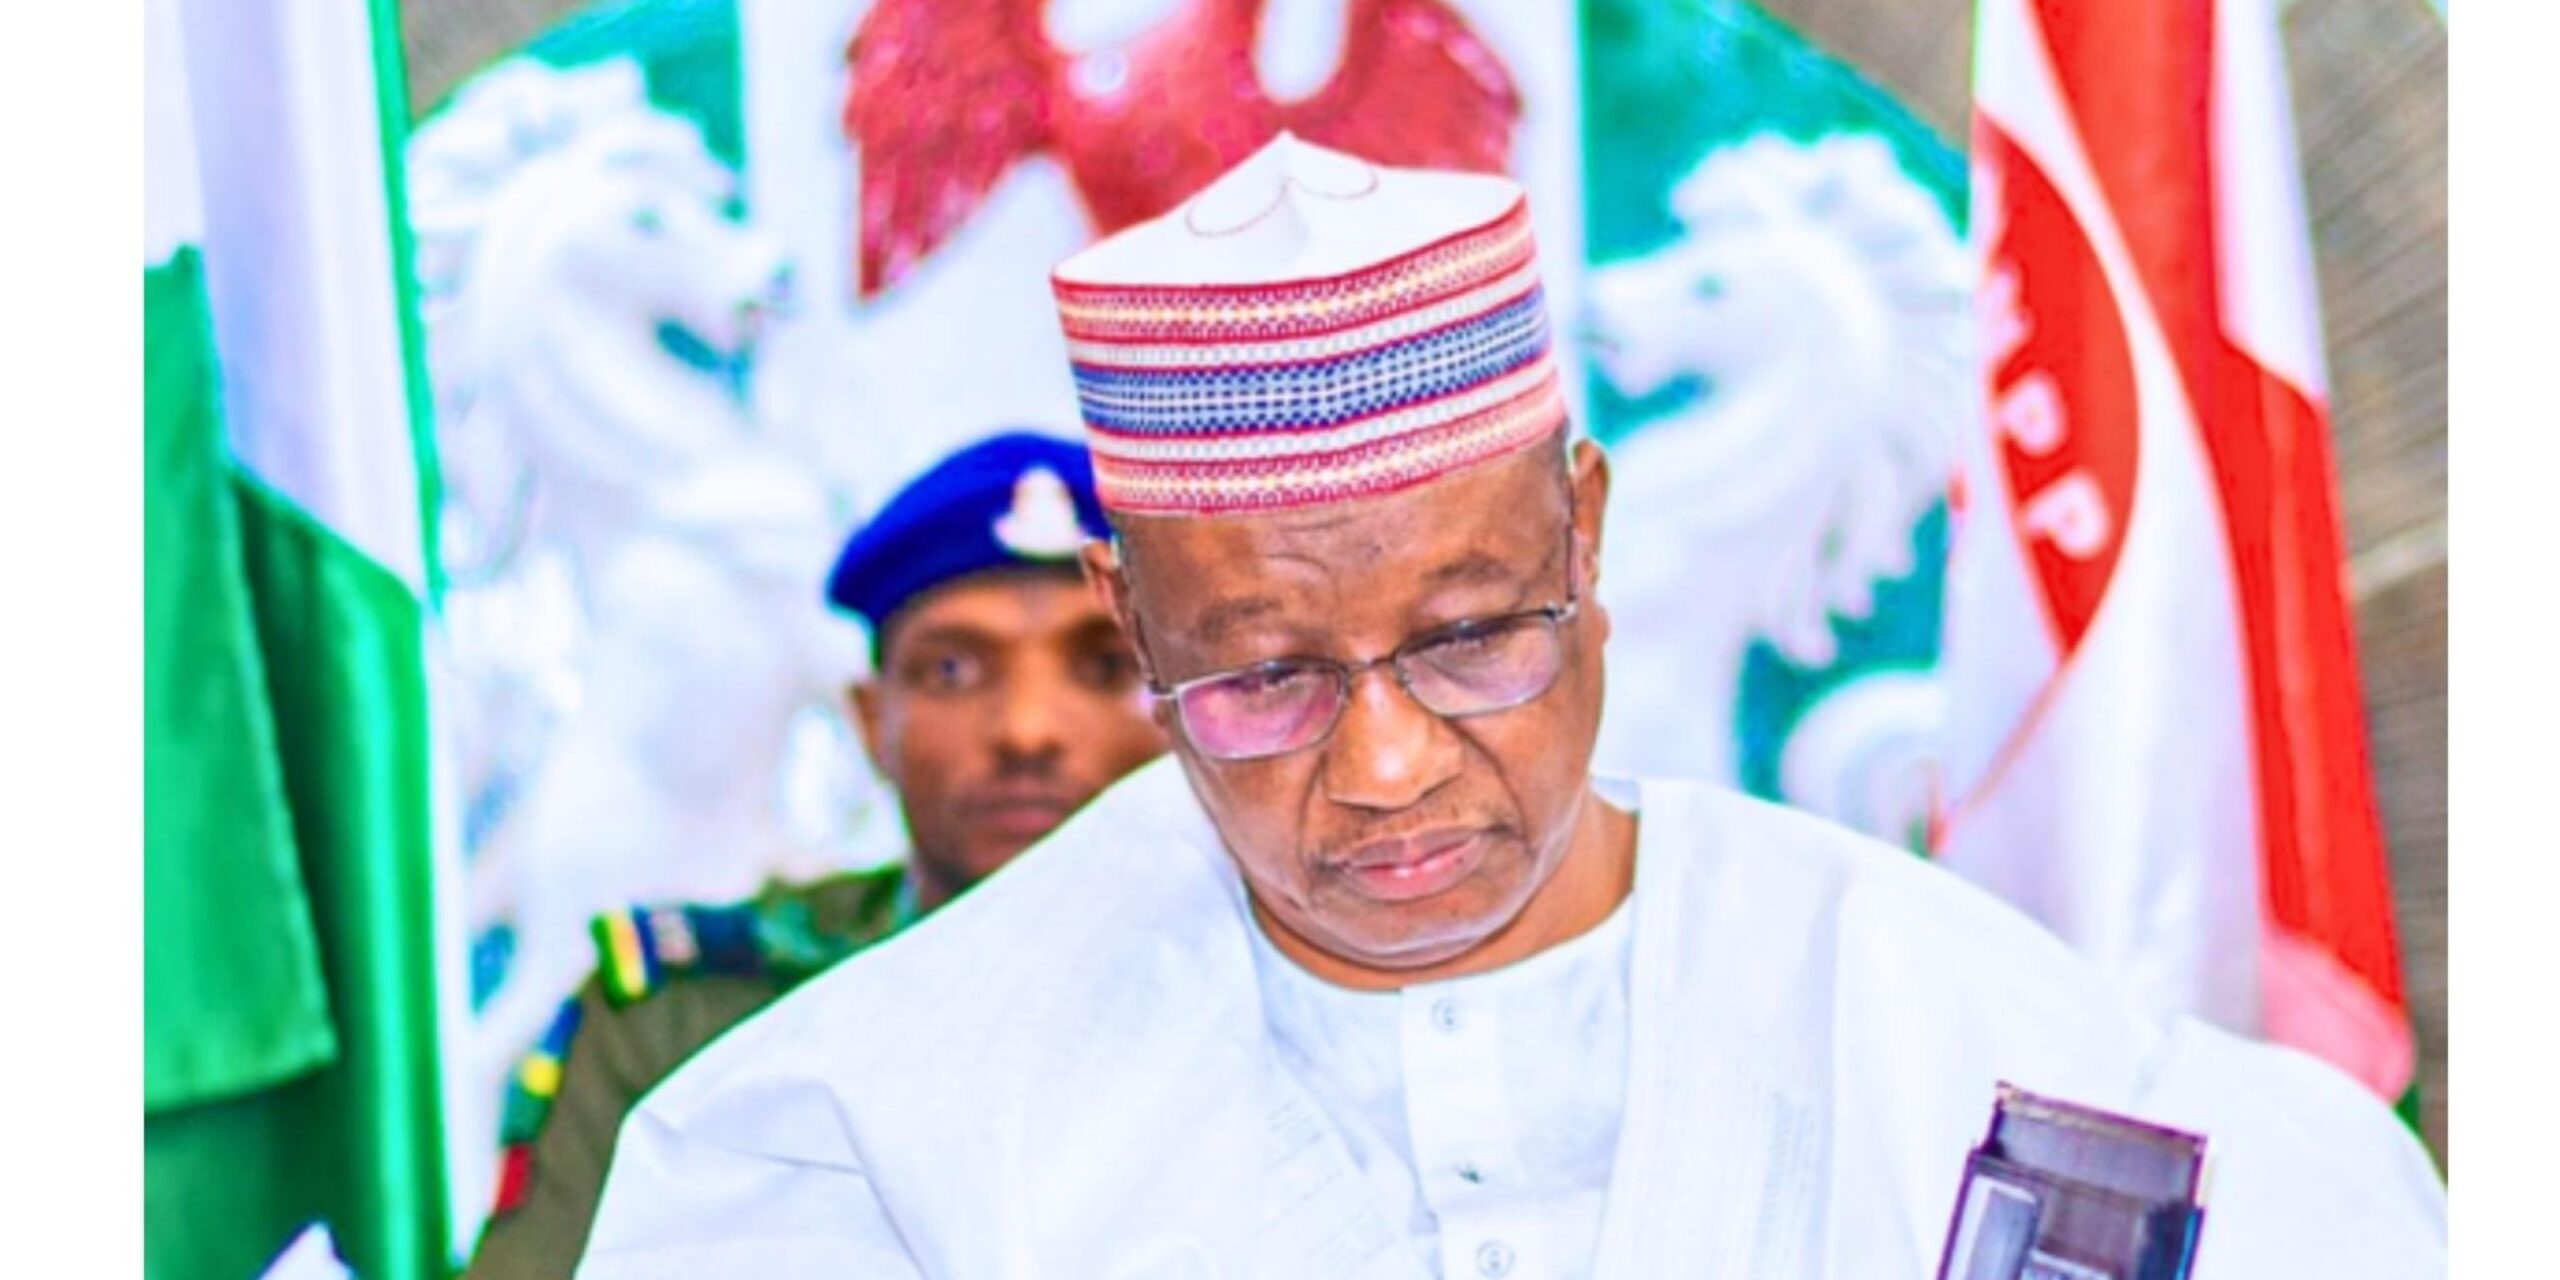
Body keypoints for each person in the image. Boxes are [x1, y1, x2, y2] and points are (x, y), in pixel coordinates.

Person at [576, 137, 2445, 1278]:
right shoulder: (847, 1142)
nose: (1387, 767)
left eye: (1475, 637)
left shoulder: (1954, 1031)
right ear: (1133, 624)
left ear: (1587, 531)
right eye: (1266, 676)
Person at [462, 432, 1165, 1279]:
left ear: (1195, 702)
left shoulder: (1285, 991)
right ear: (872, 723)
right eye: (952, 669)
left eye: (1106, 665)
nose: (1028, 729)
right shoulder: (693, 1025)